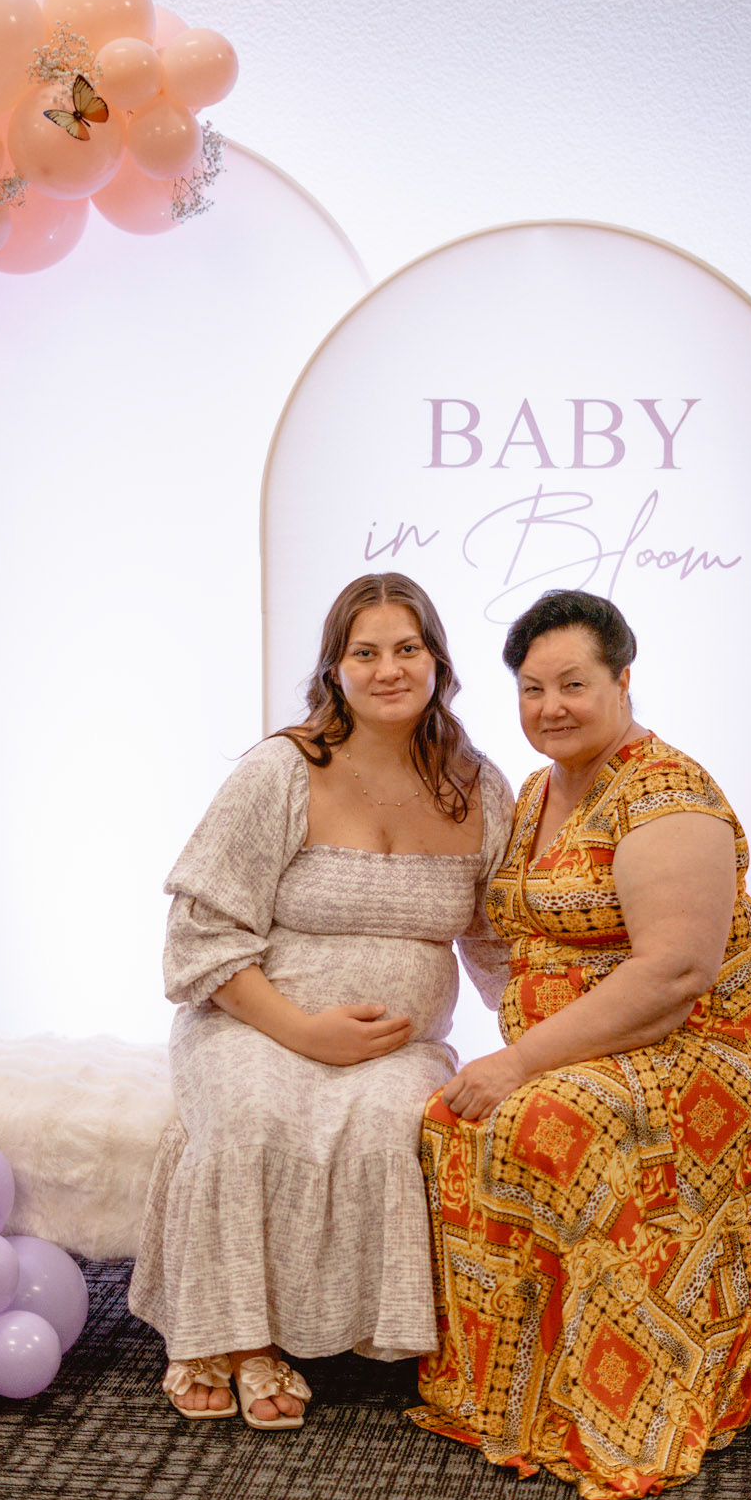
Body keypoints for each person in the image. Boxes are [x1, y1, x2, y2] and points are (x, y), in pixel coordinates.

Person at [410, 587, 751, 1500]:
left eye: (572, 684)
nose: (550, 706)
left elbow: (674, 972)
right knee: (450, 1120)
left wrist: (519, 1059)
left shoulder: (665, 794)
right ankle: (515, 1400)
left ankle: (622, 1413)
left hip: (711, 1046)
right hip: (600, 1045)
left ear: (622, 681)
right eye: (531, 689)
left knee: (552, 1122)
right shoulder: (537, 791)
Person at [128, 573, 514, 1428]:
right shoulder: (281, 771)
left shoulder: (478, 788)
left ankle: (334, 1330)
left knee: (385, 1130)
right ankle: (236, 1339)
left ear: (438, 662)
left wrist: (546, 1041)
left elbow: (498, 940)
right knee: (251, 1121)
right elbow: (201, 933)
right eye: (363, 652)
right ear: (334, 669)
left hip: (397, 1046)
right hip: (252, 1020)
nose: (387, 669)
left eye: (406, 648)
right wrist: (305, 1033)